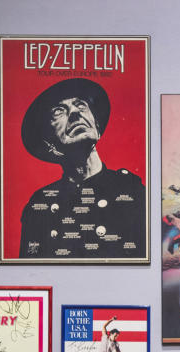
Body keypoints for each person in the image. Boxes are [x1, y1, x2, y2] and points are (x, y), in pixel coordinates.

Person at [18, 78, 146, 259]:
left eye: (81, 105)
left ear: (97, 127)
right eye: (58, 112)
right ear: (49, 143)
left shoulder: (131, 189)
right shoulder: (40, 204)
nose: (75, 113)